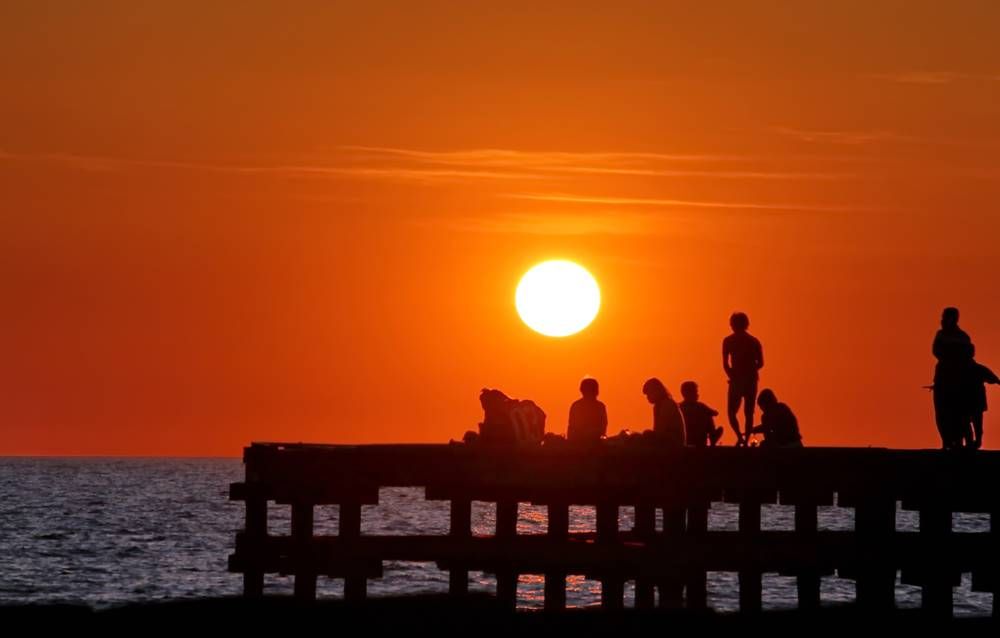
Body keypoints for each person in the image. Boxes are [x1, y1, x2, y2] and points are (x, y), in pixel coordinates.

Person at [931, 307, 975, 449]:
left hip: (959, 380)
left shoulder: (962, 337)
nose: (943, 319)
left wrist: (951, 353)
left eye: (946, 316)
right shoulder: (940, 335)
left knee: (959, 412)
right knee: (942, 413)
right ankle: (947, 441)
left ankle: (959, 441)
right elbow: (936, 351)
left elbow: (969, 353)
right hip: (943, 379)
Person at [722, 312, 764, 447]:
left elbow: (725, 364)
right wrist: (750, 371)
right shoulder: (753, 341)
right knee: (749, 412)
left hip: (738, 379)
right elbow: (761, 363)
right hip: (750, 379)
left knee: (732, 411)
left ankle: (740, 437)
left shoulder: (728, 341)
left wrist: (733, 375)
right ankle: (744, 440)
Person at [965, 360, 1000, 449]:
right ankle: (974, 442)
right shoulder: (979, 368)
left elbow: (994, 379)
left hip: (971, 401)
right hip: (975, 401)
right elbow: (993, 379)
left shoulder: (975, 369)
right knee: (975, 423)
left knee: (971, 422)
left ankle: (974, 442)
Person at [642, 378, 685, 447]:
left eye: (649, 394)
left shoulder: (667, 404)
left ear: (656, 391)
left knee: (646, 435)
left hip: (674, 442)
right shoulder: (657, 406)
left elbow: (660, 431)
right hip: (665, 439)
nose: (648, 397)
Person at [679, 381, 724, 447]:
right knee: (707, 414)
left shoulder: (679, 407)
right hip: (697, 439)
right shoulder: (700, 407)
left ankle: (713, 435)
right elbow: (714, 413)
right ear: (688, 393)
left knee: (706, 413)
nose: (697, 394)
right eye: (695, 392)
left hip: (686, 439)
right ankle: (713, 435)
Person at [568, 377, 608, 444]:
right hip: (579, 443)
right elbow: (573, 427)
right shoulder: (577, 406)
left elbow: (603, 426)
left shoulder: (600, 406)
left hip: (594, 443)